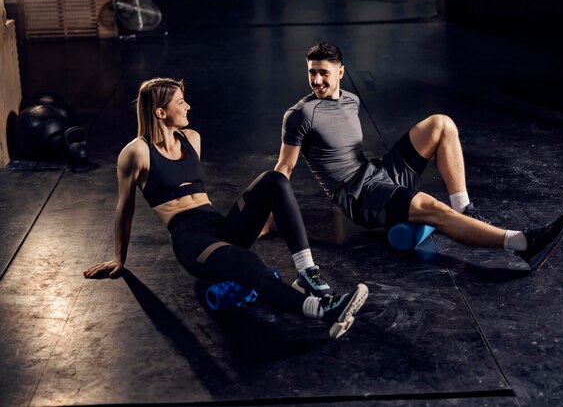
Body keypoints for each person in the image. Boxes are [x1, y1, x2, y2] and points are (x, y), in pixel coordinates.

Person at [83, 77, 368, 339]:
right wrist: (119, 259)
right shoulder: (136, 152)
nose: (188, 106)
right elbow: (125, 207)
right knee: (250, 264)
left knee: (274, 180)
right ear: (160, 112)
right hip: (192, 241)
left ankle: (307, 272)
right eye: (180, 102)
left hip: (219, 225)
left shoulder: (192, 138)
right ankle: (324, 311)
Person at [268, 42, 563, 273]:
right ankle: (524, 244)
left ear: (340, 72)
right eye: (312, 72)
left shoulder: (351, 100)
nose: (318, 80)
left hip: (378, 173)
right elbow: (284, 169)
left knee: (441, 124)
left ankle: (464, 209)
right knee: (430, 206)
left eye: (324, 72)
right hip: (358, 196)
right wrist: (266, 217)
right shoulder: (300, 115)